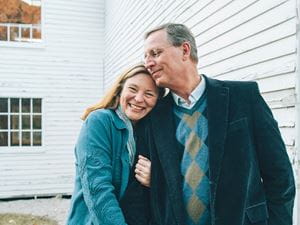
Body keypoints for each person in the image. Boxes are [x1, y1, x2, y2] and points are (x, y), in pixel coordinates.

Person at [138, 23, 295, 225]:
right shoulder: (153, 117)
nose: (148, 63)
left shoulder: (243, 97)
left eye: (155, 53)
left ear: (185, 50)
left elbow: (279, 176)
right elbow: (143, 193)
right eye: (146, 56)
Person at [66, 63, 163, 225]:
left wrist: (156, 179)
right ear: (120, 91)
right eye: (132, 89)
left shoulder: (148, 132)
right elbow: (98, 189)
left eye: (149, 94)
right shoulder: (99, 122)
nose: (139, 99)